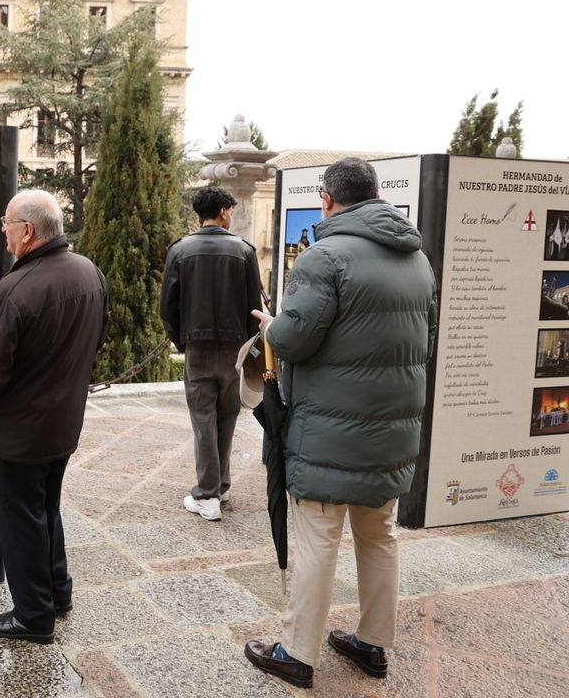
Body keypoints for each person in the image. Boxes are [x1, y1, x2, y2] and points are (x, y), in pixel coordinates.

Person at [244, 158, 437, 689]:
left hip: (329, 430)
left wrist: (271, 325)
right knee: (379, 537)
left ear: (327, 199)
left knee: (317, 539)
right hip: (393, 428)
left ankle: (296, 652)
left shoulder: (322, 257)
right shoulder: (417, 258)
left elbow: (292, 339)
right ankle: (373, 644)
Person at [0, 189, 109, 645]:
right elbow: (99, 338)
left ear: (26, 232)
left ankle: (32, 615)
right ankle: (57, 592)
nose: (3, 234)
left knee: (21, 518)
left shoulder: (14, 289)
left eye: (6, 225)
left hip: (19, 431)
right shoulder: (89, 272)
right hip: (62, 422)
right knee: (45, 508)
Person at [159, 186, 262, 521]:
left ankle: (207, 495)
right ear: (222, 212)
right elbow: (254, 307)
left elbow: (167, 307)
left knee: (203, 418)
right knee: (228, 416)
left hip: (198, 348)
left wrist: (181, 340)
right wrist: (248, 348)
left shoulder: (180, 250)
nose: (230, 215)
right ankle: (221, 485)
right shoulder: (244, 250)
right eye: (229, 210)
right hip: (234, 348)